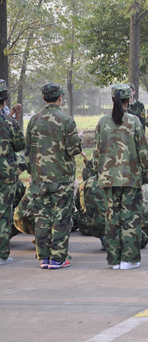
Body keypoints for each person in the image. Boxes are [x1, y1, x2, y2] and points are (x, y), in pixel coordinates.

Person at [93, 84, 148, 270]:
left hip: (109, 178)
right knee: (131, 219)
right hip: (130, 178)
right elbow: (143, 150)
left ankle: (114, 260)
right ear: (130, 100)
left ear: (112, 99)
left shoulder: (103, 122)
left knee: (112, 219)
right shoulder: (134, 121)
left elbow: (97, 152)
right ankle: (129, 259)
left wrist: (98, 172)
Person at [25, 83, 82, 269]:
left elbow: (28, 150)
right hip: (62, 177)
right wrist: (77, 139)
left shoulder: (33, 120)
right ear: (60, 98)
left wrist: (32, 171)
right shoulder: (67, 120)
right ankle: (58, 258)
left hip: (39, 177)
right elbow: (74, 149)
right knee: (62, 217)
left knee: (41, 217)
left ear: (43, 99)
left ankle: (44, 258)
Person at [0, 84, 26, 265]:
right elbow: (19, 146)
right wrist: (15, 119)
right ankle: (2, 254)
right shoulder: (9, 123)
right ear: (5, 100)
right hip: (5, 174)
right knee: (3, 213)